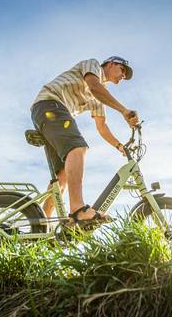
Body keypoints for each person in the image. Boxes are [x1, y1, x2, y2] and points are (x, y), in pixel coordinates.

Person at [30, 56, 139, 224]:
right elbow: (94, 87)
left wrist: (119, 146)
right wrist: (124, 111)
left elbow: (102, 127)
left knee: (62, 175)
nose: (123, 76)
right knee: (77, 148)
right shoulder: (93, 65)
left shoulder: (98, 98)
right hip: (50, 104)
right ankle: (78, 210)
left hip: (47, 112)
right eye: (122, 70)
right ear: (111, 64)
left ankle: (42, 225)